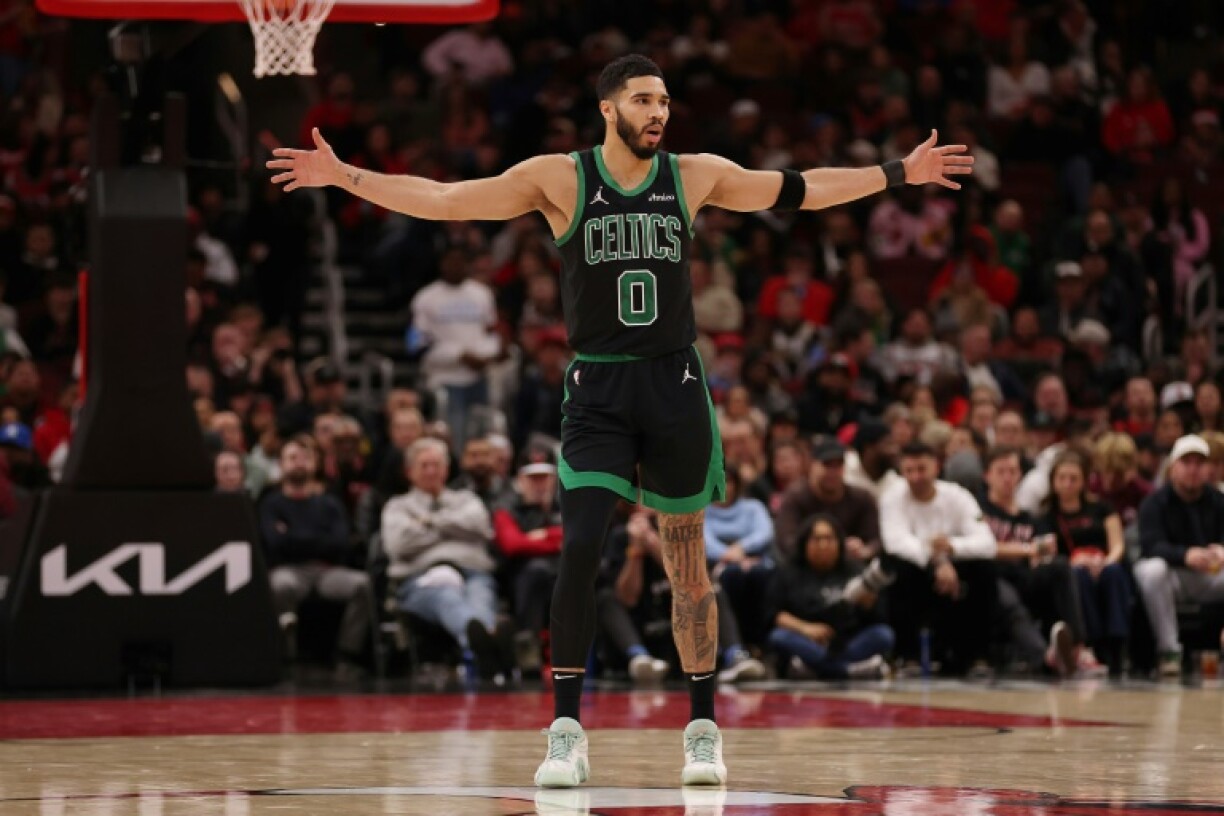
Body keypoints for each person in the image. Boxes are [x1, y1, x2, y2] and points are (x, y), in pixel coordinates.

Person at [268, 52, 972, 789]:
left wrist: (898, 173)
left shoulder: (692, 175)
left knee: (687, 563)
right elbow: (446, 199)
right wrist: (346, 176)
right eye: (643, 100)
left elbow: (800, 189)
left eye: (663, 100)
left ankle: (702, 728)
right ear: (608, 109)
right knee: (578, 552)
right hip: (598, 389)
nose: (658, 112)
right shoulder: (561, 178)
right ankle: (566, 730)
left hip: (674, 385)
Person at [879, 442, 998, 675]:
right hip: (916, 572)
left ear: (936, 467)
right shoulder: (893, 497)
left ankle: (977, 657)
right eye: (909, 471)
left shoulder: (958, 496)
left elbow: (987, 543)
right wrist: (937, 560)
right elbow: (895, 542)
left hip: (956, 569)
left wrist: (952, 548)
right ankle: (908, 656)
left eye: (921, 469)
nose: (915, 477)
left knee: (984, 569)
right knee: (898, 566)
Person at [1134, 435, 1224, 677]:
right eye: (1187, 463)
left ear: (1209, 468)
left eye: (1200, 463)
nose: (1193, 469)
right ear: (1173, 467)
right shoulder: (1154, 502)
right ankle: (1169, 651)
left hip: (1210, 577)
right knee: (1153, 569)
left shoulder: (1219, 501)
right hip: (1172, 577)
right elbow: (1150, 545)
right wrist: (1185, 554)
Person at [767, 514, 894, 680]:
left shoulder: (855, 570)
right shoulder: (788, 572)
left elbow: (878, 617)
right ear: (804, 543)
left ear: (839, 543)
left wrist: (869, 604)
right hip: (808, 640)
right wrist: (805, 628)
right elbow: (774, 614)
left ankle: (818, 669)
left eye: (829, 539)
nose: (823, 545)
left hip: (848, 641)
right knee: (779, 637)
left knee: (883, 634)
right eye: (816, 539)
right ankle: (847, 670)